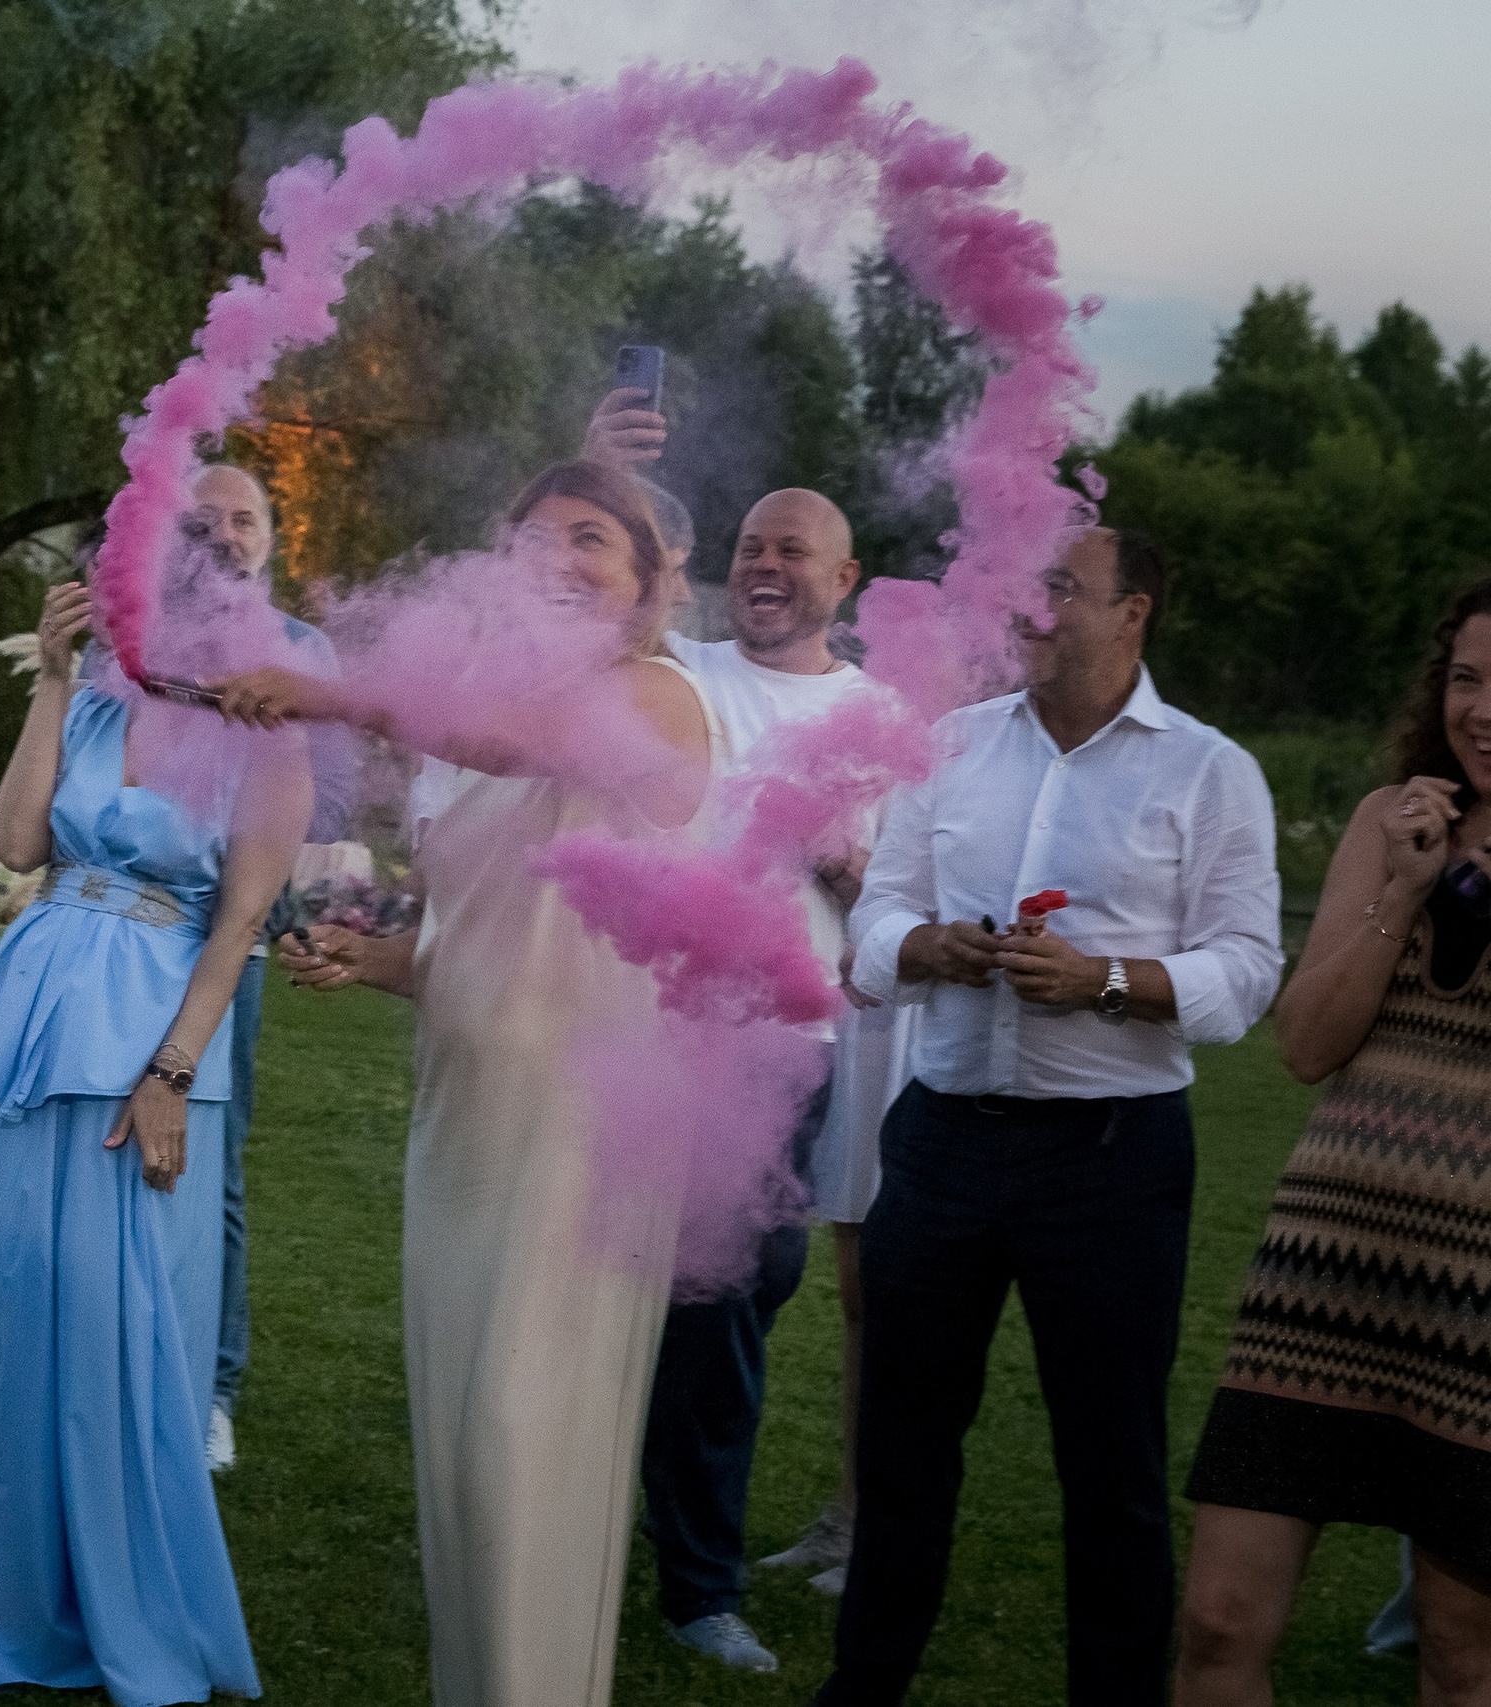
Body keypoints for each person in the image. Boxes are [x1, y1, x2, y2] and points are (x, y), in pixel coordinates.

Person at [258, 459, 723, 1707]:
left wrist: (326, 690)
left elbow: (507, 744)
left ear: (648, 583)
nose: (557, 559)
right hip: (464, 1117)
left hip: (581, 1128)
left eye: (592, 539)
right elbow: (480, 937)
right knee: (463, 1457)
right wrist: (375, 961)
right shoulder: (487, 720)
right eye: (533, 538)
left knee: (528, 1448)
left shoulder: (657, 695)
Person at [824, 525, 1283, 1706]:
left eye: (1061, 587)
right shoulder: (949, 746)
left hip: (1111, 1160)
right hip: (941, 1140)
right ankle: (862, 1687)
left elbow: (1245, 972)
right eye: (1025, 584)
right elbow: (874, 924)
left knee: (1110, 1467)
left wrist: (1106, 982)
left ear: (1131, 613)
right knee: (901, 1448)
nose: (1029, 606)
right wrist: (923, 946)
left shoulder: (1209, 770)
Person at [0, 550, 309, 1701]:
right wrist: (57, 680)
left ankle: (105, 1598)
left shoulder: (268, 744)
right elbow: (20, 842)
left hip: (142, 1037)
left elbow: (240, 924)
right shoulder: (98, 702)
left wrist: (170, 1070)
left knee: (103, 1324)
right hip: (25, 1015)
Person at [1174, 576, 1491, 1706]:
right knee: (1216, 1622)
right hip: (1325, 1271)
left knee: (1462, 1650)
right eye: (1465, 678)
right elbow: (1307, 1044)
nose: (1482, 709)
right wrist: (1401, 891)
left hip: (1477, 1308)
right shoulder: (1389, 821)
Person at [633, 485, 899, 1670]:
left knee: (727, 1311)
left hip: (780, 1053)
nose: (764, 564)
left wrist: (845, 871)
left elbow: (912, 916)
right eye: (749, 546)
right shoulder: (679, 672)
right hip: (633, 1028)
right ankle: (588, 1523)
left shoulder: (878, 718)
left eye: (793, 550)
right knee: (607, 1295)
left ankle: (697, 1587)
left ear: (844, 580)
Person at [185, 461, 351, 1475]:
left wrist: (263, 876)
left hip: (231, 934)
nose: (226, 534)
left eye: (245, 519)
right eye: (205, 519)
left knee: (214, 1155)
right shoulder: (145, 642)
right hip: (128, 931)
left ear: (271, 538)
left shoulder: (301, 651)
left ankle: (213, 1386)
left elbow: (331, 797)